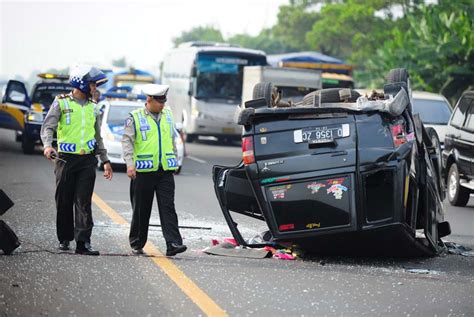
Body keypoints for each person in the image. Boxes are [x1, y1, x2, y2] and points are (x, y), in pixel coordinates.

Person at [41, 65, 113, 256]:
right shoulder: (61, 102)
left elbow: (97, 137)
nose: (94, 88)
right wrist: (48, 145)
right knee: (64, 200)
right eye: (92, 84)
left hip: (87, 161)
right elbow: (48, 127)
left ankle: (83, 243)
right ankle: (64, 238)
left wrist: (105, 160)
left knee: (83, 202)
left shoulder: (93, 107)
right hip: (65, 160)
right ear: (81, 83)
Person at [122, 84, 186, 256]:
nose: (163, 105)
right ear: (149, 99)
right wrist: (129, 164)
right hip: (143, 172)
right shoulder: (134, 117)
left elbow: (171, 138)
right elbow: (127, 142)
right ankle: (137, 242)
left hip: (164, 171)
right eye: (159, 102)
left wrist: (174, 159)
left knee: (168, 207)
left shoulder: (168, 114)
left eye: (164, 101)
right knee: (142, 209)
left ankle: (173, 243)